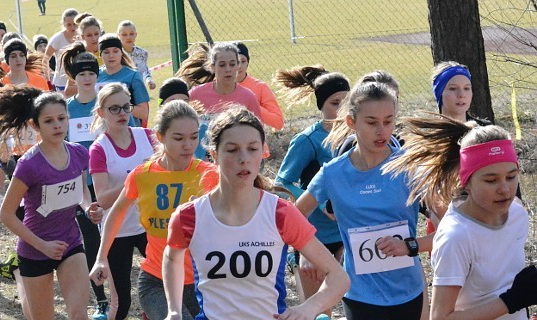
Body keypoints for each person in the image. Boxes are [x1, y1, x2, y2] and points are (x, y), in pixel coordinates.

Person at [163, 108, 349, 319]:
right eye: (232, 150)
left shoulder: (280, 213)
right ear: (214, 155)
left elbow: (339, 277)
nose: (244, 159)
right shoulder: (189, 217)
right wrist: (174, 310)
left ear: (263, 152)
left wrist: (308, 308)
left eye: (252, 149)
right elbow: (172, 258)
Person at [295, 81, 429, 320]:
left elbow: (449, 227)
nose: (382, 131)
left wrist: (410, 246)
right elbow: (297, 215)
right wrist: (307, 253)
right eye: (371, 122)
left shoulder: (409, 167)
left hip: (408, 290)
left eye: (388, 121)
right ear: (351, 122)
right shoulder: (333, 173)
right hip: (360, 294)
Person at [381, 116, 537, 319]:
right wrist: (511, 302)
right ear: (467, 181)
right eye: (491, 180)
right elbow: (439, 317)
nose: (505, 189)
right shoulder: (456, 237)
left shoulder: (517, 214)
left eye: (511, 176)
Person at [0, 87, 95, 320]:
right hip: (35, 249)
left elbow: (81, 192)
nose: (57, 125)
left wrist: (88, 207)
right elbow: (6, 214)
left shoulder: (80, 154)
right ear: (35, 126)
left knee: (79, 315)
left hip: (70, 243)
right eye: (49, 121)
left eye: (61, 118)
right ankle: (19, 274)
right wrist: (42, 245)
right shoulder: (29, 165)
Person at [91, 100, 218, 320]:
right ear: (160, 136)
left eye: (194, 137)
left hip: (203, 283)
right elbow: (116, 213)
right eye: (178, 138)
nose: (188, 145)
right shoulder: (143, 175)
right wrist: (101, 258)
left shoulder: (210, 175)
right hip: (156, 282)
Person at [273, 65, 349, 317]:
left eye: (347, 102)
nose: (341, 109)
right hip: (315, 237)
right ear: (321, 105)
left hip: (350, 232)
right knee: (319, 313)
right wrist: (316, 199)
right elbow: (282, 180)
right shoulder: (308, 140)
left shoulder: (357, 136)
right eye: (335, 103)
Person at [89, 83, 153, 320]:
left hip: (150, 226)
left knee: (168, 286)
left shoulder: (148, 137)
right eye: (114, 108)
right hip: (117, 231)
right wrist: (136, 178)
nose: (122, 113)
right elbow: (103, 199)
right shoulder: (99, 148)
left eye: (126, 107)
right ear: (101, 112)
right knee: (122, 300)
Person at [62, 49, 110, 318]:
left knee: (116, 240)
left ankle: (120, 295)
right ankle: (102, 301)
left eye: (92, 73)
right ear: (74, 78)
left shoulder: (105, 105)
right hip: (82, 186)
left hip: (110, 182)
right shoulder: (67, 108)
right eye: (82, 74)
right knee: (92, 241)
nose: (88, 78)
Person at [182, 43, 263, 125]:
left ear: (238, 65)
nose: (228, 69)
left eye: (232, 64)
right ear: (213, 67)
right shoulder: (196, 95)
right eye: (222, 65)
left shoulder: (248, 97)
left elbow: (259, 132)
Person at [96, 34, 149, 127]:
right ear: (100, 55)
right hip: (102, 131)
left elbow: (143, 112)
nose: (111, 55)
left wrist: (120, 107)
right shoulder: (94, 76)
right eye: (106, 52)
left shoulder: (133, 76)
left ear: (121, 52)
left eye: (115, 51)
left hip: (128, 130)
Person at [235, 42, 283, 130]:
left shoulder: (260, 86)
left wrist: (253, 105)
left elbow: (278, 122)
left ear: (247, 63)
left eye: (243, 61)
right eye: (235, 62)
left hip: (255, 141)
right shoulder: (219, 87)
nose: (239, 66)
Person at [62, 14, 104, 98]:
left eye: (96, 34)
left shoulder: (109, 53)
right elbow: (68, 90)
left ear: (101, 33)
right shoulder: (79, 57)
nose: (94, 38)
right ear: (82, 37)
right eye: (89, 35)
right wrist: (94, 86)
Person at [44, 8, 79, 92]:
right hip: (61, 83)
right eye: (69, 25)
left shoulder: (83, 37)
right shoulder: (57, 39)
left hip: (80, 82)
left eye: (75, 24)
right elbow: (45, 59)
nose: (72, 27)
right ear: (64, 24)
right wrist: (48, 81)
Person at [116, 20, 156, 90]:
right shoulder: (115, 54)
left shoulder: (142, 53)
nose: (128, 37)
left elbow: (144, 72)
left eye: (131, 34)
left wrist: (149, 81)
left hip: (138, 90)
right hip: (121, 91)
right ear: (118, 36)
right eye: (124, 35)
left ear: (136, 34)